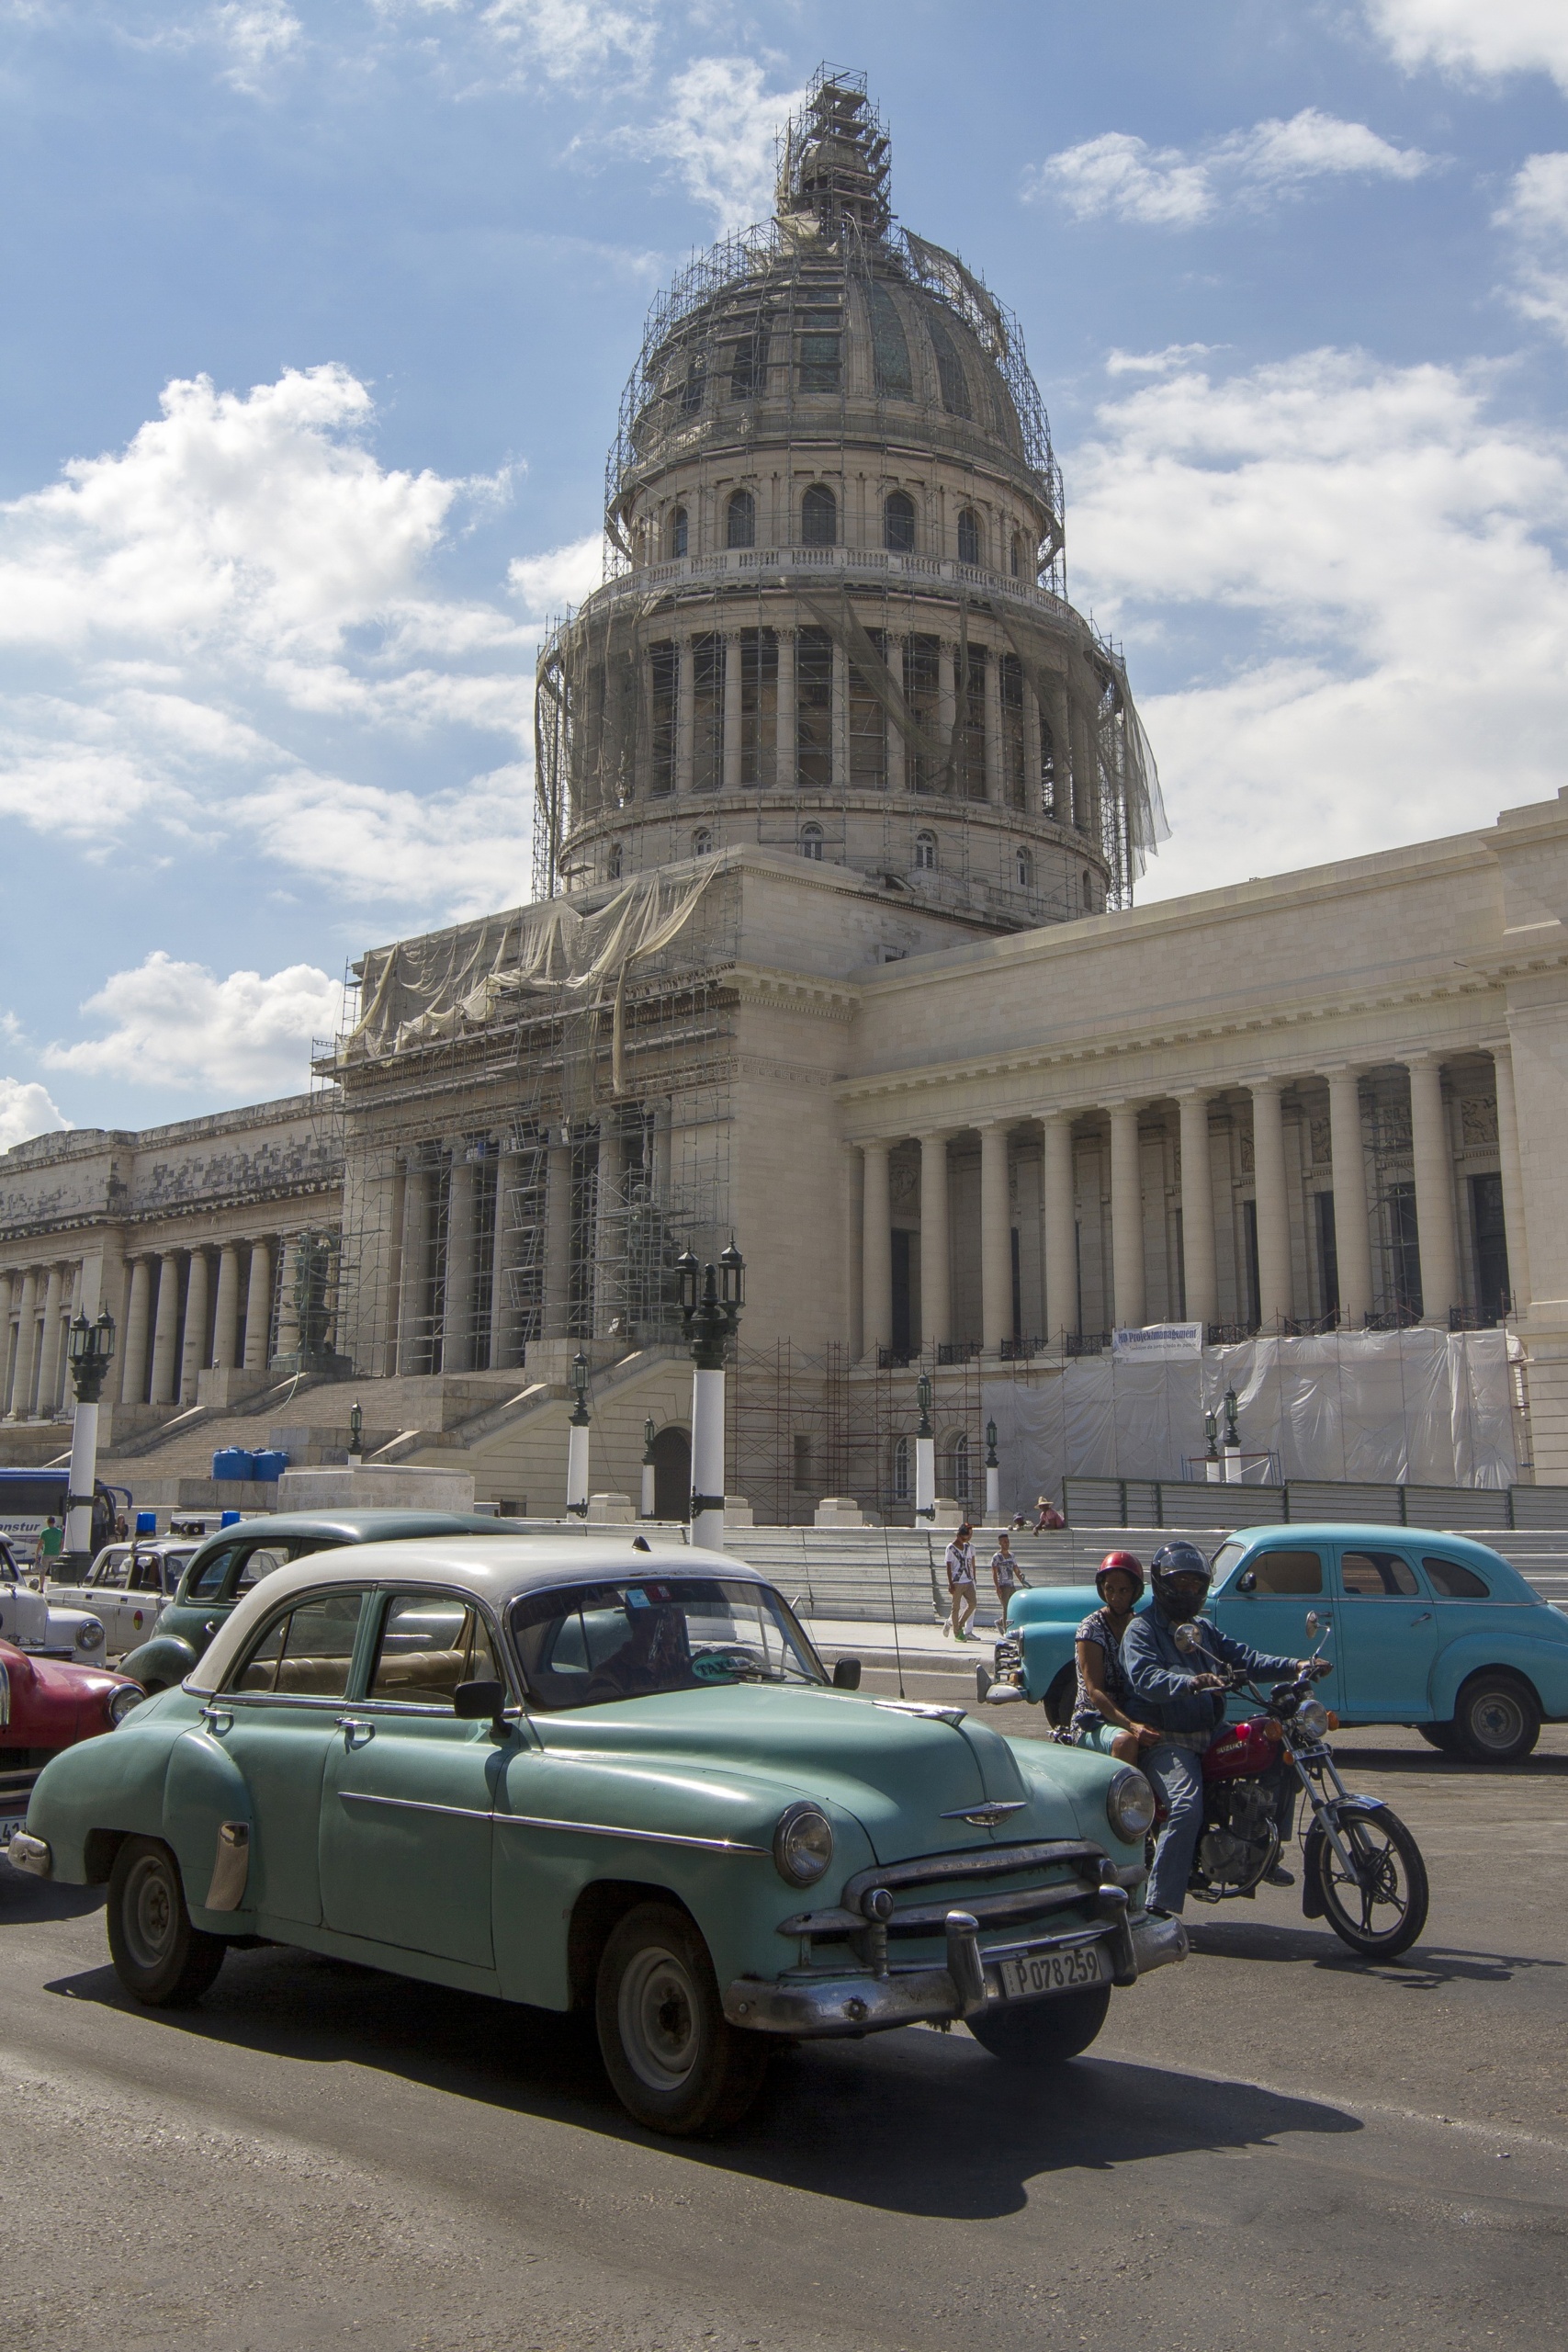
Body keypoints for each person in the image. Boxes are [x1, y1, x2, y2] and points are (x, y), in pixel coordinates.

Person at [1122, 1540, 1322, 1918]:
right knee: (1184, 1807)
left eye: (1196, 1585)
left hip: (1211, 1731)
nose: (1189, 1592)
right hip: (1168, 1740)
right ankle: (1160, 1906)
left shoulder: (1203, 1630)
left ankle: (1265, 1849)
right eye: (1180, 1584)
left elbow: (1245, 1657)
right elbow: (1145, 1677)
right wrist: (1190, 1682)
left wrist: (1296, 1665)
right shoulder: (1142, 1629)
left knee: (1277, 1756)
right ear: (1162, 1584)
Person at [1070, 1552, 1160, 1766]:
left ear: (1135, 1592)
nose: (1115, 1597)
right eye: (1109, 1589)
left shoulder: (1141, 1627)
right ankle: (1123, 1798)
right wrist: (1132, 1726)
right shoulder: (1090, 1628)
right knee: (1126, 1743)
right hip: (1093, 1720)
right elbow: (1095, 1692)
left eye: (1123, 1590)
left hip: (1134, 1713)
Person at [943, 1524, 977, 1640]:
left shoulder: (968, 1547)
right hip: (957, 1581)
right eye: (963, 1538)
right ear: (958, 1536)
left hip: (968, 1580)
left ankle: (959, 1625)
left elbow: (970, 1563)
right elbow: (948, 1566)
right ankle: (957, 1633)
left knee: (972, 1604)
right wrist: (950, 1583)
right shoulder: (951, 1548)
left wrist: (973, 1578)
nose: (965, 1540)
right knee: (956, 1608)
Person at [990, 1531, 1027, 1625]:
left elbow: (1016, 1570)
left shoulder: (1012, 1556)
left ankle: (1000, 1622)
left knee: (1013, 1606)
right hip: (1003, 1585)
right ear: (1000, 1543)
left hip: (1011, 1585)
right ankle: (1006, 1629)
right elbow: (994, 1573)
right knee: (1006, 1608)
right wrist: (997, 1587)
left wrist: (1023, 1582)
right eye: (1004, 1542)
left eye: (1008, 1541)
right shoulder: (997, 1557)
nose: (1006, 1543)